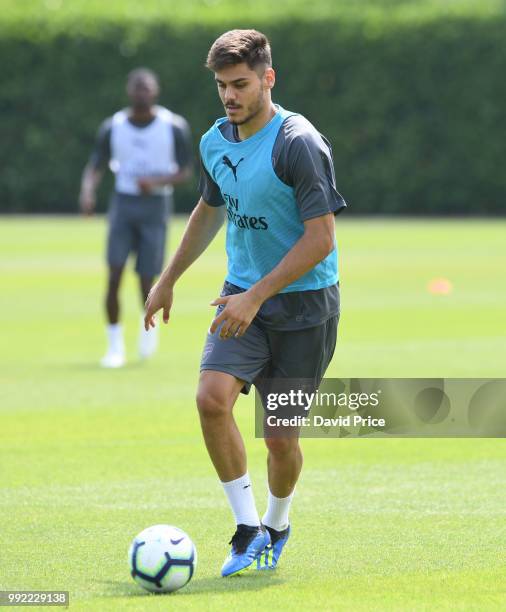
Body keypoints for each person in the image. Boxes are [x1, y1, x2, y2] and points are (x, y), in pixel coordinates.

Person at [144, 30, 346, 576]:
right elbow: (210, 208)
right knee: (212, 400)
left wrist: (256, 297)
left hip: (303, 308)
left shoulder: (297, 143)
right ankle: (246, 526)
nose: (230, 96)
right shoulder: (215, 140)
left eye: (240, 84)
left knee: (280, 439)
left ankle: (277, 524)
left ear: (267, 79)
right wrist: (169, 279)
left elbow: (321, 239)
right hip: (241, 298)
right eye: (221, 86)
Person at [79, 68, 193, 368]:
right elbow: (96, 164)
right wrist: (88, 192)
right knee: (114, 273)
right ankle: (114, 345)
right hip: (124, 204)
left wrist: (155, 182)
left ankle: (147, 333)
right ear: (129, 92)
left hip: (155, 207)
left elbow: (185, 171)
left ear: (156, 92)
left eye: (147, 88)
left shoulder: (173, 126)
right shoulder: (113, 126)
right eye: (137, 88)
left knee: (147, 278)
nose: (142, 93)